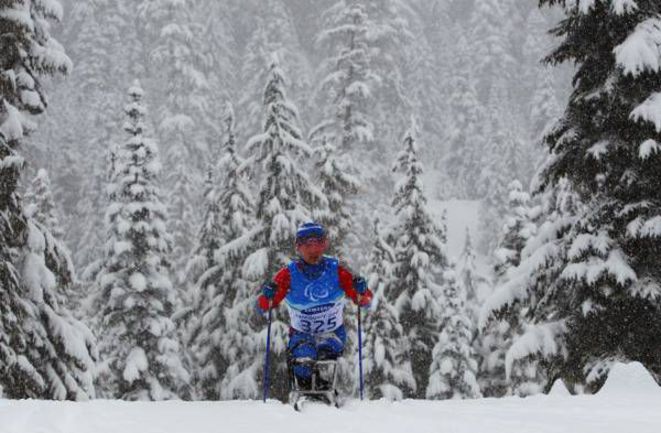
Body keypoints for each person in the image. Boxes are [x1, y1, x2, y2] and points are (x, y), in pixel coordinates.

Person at [256, 221, 373, 390]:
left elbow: (365, 301)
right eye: (307, 246)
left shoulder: (337, 270)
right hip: (301, 334)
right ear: (298, 247)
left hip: (332, 333)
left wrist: (362, 290)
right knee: (304, 359)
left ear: (325, 244)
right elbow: (263, 306)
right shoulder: (288, 274)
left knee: (326, 359)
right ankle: (305, 390)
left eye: (318, 244)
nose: (313, 251)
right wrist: (267, 296)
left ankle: (323, 389)